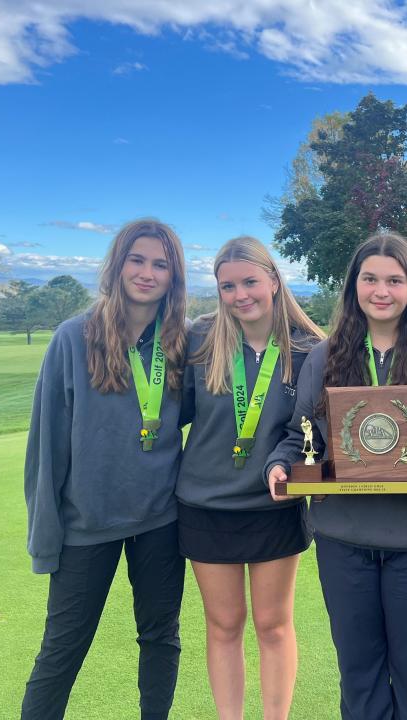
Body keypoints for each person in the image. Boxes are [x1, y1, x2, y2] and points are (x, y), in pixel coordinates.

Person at [266, 232, 407, 720]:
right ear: (354, 286)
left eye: (395, 279)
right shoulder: (325, 358)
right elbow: (299, 435)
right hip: (344, 544)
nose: (381, 290)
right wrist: (281, 465)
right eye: (370, 279)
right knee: (359, 677)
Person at [22, 219, 188, 720]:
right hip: (85, 526)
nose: (147, 272)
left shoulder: (184, 342)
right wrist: (44, 537)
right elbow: (45, 448)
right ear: (117, 266)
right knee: (62, 650)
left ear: (173, 276)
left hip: (160, 521)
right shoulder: (74, 337)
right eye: (137, 260)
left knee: (161, 639)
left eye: (160, 264)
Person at [177, 236, 323, 720]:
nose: (241, 295)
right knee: (223, 624)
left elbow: (307, 430)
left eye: (250, 282)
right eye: (227, 286)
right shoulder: (199, 339)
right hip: (204, 505)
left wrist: (285, 462)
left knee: (273, 625)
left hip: (273, 505)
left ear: (274, 281)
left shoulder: (309, 350)